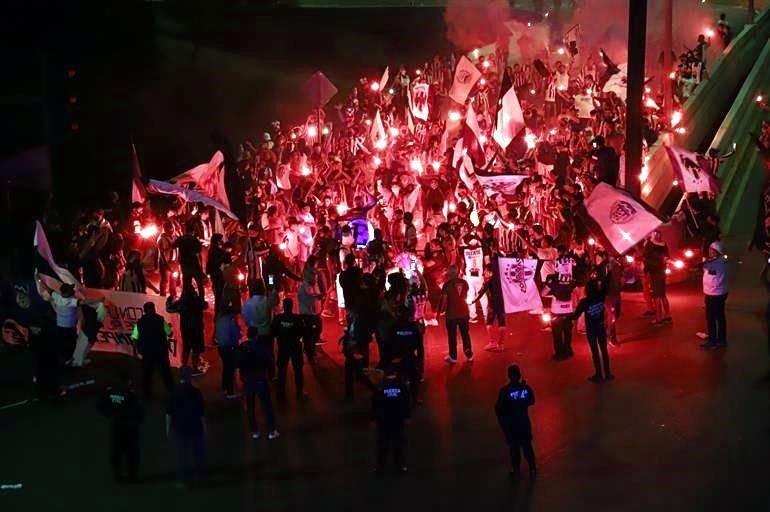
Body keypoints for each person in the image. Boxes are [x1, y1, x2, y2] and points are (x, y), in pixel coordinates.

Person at [97, 371, 144, 483]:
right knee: (131, 453)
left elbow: (100, 405)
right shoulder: (130, 393)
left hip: (116, 426)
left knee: (115, 452)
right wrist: (137, 420)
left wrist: (110, 414)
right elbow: (138, 410)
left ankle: (117, 476)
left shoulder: (110, 392)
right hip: (129, 427)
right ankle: (132, 476)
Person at [166, 366, 206, 487]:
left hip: (180, 427)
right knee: (198, 453)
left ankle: (183, 480)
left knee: (183, 454)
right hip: (195, 426)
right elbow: (201, 413)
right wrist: (205, 429)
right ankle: (200, 477)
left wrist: (168, 430)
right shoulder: (196, 392)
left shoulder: (174, 392)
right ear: (190, 377)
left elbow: (169, 413)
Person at [237, 327, 280, 440]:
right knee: (266, 406)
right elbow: (269, 361)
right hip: (260, 379)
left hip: (247, 381)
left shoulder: (242, 347)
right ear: (257, 335)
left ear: (247, 335)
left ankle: (255, 431)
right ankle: (271, 431)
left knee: (250, 407)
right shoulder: (261, 346)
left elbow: (237, 362)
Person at [495, 365, 536, 479]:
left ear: (509, 376)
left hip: (512, 424)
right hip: (523, 422)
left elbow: (499, 409)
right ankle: (532, 467)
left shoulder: (505, 391)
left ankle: (516, 470)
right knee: (527, 446)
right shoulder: (525, 389)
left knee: (514, 449)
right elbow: (531, 400)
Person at [371, 366, 411, 475]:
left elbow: (375, 404)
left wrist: (374, 418)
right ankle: (399, 466)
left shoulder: (380, 387)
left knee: (383, 444)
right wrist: (407, 416)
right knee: (397, 443)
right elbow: (406, 402)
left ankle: (380, 467)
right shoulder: (402, 386)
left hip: (384, 419)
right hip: (397, 419)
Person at [572, 279, 614, 382]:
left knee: (595, 352)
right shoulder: (601, 298)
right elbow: (607, 310)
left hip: (591, 329)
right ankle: (608, 373)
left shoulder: (584, 302)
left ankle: (599, 374)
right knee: (604, 350)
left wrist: (565, 318)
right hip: (601, 328)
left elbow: (575, 315)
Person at [131, 302, 174, 399]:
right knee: (165, 372)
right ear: (154, 309)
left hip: (147, 351)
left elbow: (134, 337)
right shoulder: (160, 320)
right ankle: (170, 391)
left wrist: (135, 351)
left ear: (144, 311)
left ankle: (147, 394)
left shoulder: (140, 322)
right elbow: (170, 333)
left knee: (147, 373)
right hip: (161, 350)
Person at [37, 279, 78, 365]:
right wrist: (99, 302)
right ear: (67, 293)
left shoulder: (56, 296)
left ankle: (61, 359)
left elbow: (47, 288)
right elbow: (86, 302)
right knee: (70, 343)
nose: (73, 291)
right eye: (71, 290)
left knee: (61, 343)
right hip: (69, 327)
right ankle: (67, 360)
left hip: (60, 326)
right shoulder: (72, 301)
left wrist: (39, 280)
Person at [272, 298, 306, 399]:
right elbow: (302, 331)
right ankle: (299, 392)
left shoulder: (278, 318)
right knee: (298, 370)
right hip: (295, 346)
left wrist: (280, 336)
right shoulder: (297, 318)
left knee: (282, 370)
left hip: (283, 346)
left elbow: (273, 331)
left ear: (283, 306)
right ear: (292, 307)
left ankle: (281, 392)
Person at [167, 284, 206, 373]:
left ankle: (184, 366)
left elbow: (169, 308)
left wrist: (169, 299)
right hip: (197, 328)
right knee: (196, 349)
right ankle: (195, 368)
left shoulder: (182, 302)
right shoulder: (197, 301)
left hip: (186, 329)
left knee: (186, 348)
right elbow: (205, 305)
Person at [439, 265, 473, 364]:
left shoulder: (447, 285)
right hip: (464, 312)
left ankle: (453, 357)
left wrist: (442, 311)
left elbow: (445, 301)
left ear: (449, 273)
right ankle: (469, 354)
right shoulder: (464, 283)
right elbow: (465, 295)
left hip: (451, 315)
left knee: (452, 336)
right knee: (465, 334)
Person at [699, 241, 728, 350]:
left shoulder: (714, 263)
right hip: (721, 292)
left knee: (711, 317)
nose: (709, 251)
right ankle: (721, 340)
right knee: (720, 317)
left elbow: (702, 266)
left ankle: (713, 340)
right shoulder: (722, 261)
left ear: (716, 252)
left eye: (711, 250)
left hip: (714, 294)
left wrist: (704, 261)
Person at [542, 272, 576, 360]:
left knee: (557, 334)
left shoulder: (553, 279)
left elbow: (543, 293)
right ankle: (568, 351)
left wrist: (552, 293)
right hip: (568, 310)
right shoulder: (570, 278)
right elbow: (573, 293)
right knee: (567, 332)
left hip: (557, 311)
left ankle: (559, 355)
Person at [473, 264, 506, 352]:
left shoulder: (489, 282)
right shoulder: (502, 280)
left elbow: (481, 292)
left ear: (490, 272)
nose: (484, 273)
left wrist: (473, 301)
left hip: (492, 305)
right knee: (502, 324)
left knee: (489, 324)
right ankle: (500, 344)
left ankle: (492, 342)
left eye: (485, 271)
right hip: (501, 304)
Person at [298, 257, 325, 363]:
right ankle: (310, 352)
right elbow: (309, 297)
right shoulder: (306, 285)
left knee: (310, 332)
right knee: (311, 332)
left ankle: (310, 350)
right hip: (308, 313)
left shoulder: (308, 282)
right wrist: (318, 297)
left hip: (308, 312)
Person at [643, 231, 672, 325]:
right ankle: (668, 316)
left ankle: (659, 318)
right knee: (662, 294)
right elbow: (666, 257)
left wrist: (648, 241)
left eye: (653, 233)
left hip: (655, 272)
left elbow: (646, 254)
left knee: (657, 296)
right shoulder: (663, 245)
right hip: (660, 271)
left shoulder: (651, 245)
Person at [214, 305, 242, 399]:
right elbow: (237, 335)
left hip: (221, 347)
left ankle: (225, 387)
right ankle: (230, 391)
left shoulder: (219, 320)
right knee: (230, 368)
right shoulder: (231, 321)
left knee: (226, 367)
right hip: (229, 347)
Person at [173, 222, 205, 300]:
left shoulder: (181, 239)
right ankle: (201, 299)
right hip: (194, 264)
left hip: (184, 264)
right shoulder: (194, 239)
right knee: (199, 283)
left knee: (186, 283)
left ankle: (186, 299)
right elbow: (199, 250)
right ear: (193, 231)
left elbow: (173, 245)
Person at [205, 233, 227, 314]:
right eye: (220, 240)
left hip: (214, 273)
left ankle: (219, 311)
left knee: (218, 292)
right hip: (217, 274)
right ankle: (219, 311)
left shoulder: (212, 249)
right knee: (219, 293)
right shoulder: (216, 250)